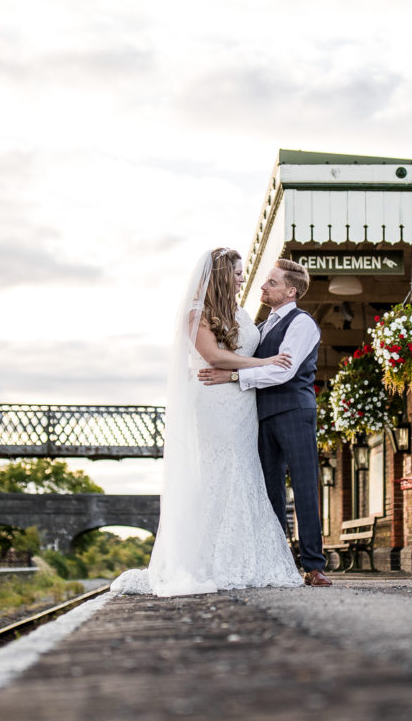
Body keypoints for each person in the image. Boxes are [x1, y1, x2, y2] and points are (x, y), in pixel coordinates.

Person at [111, 248, 305, 596]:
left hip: (241, 401)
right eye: (237, 273)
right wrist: (264, 363)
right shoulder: (195, 313)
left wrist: (250, 370)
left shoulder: (240, 312)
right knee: (218, 469)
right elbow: (214, 356)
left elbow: (238, 355)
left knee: (245, 469)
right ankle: (206, 560)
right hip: (213, 399)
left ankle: (249, 557)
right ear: (219, 275)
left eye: (243, 272)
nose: (243, 278)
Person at [198, 258, 329, 586]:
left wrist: (232, 375)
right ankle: (279, 561)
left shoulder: (301, 324)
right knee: (269, 489)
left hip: (293, 411)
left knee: (303, 485)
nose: (263, 286)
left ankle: (314, 566)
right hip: (260, 415)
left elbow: (283, 370)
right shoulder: (264, 325)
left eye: (272, 282)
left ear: (290, 291)